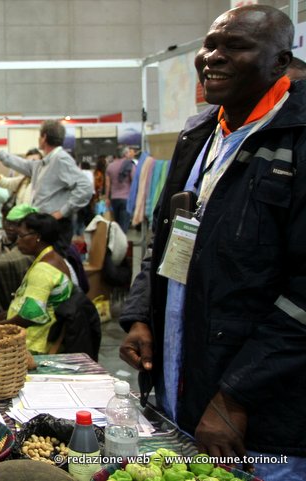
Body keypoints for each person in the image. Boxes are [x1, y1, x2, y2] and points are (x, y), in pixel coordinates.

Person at [119, 5, 306, 480]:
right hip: (183, 388)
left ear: (280, 62)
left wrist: (234, 396)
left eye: (236, 46)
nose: (213, 57)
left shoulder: (297, 139)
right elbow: (164, 238)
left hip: (262, 417)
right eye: (210, 45)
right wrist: (142, 315)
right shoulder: (200, 133)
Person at [0, 120, 93, 258]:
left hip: (56, 227)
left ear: (44, 137)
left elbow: (86, 187)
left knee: (53, 266)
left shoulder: (60, 159)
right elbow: (23, 164)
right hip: (45, 225)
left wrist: (62, 212)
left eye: (39, 136)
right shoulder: (45, 163)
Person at [0, 212, 74, 354]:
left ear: (37, 237)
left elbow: (31, 315)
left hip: (33, 344)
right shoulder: (53, 258)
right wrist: (3, 315)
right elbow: (40, 304)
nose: (17, 241)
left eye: (21, 236)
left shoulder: (43, 270)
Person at [105, 145, 136, 234]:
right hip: (126, 198)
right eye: (128, 152)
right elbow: (134, 181)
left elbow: (107, 184)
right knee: (124, 226)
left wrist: (107, 198)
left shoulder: (110, 166)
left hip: (114, 198)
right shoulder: (130, 165)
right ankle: (122, 241)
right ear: (125, 154)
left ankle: (116, 241)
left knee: (116, 225)